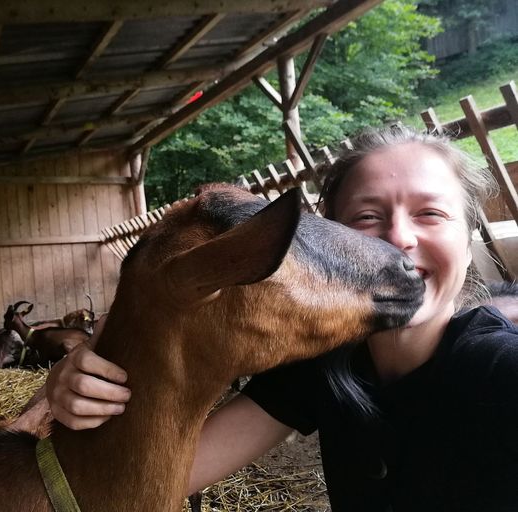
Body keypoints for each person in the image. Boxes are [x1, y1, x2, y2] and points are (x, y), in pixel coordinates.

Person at [45, 125, 518, 511]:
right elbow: (154, 478)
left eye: (431, 213)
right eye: (367, 217)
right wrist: (75, 389)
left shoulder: (499, 369)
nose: (399, 238)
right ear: (332, 240)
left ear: (469, 231)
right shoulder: (327, 367)